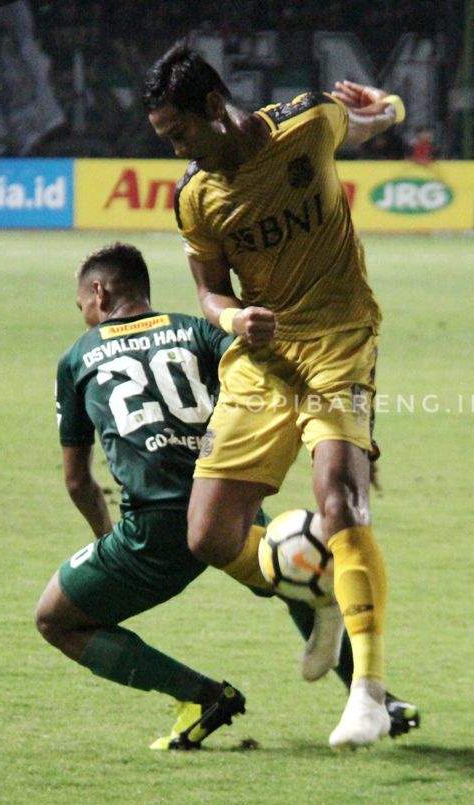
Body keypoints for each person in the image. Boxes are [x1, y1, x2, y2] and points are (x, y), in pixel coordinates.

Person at [35, 243, 419, 750]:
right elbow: (272, 377)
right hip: (224, 501)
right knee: (293, 568)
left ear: (99, 293)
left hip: (152, 527)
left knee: (55, 619)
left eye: (81, 301)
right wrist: (354, 439)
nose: (83, 312)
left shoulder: (78, 357)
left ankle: (199, 696)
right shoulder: (199, 331)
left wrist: (111, 542)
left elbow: (78, 481)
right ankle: (374, 698)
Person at [144, 45, 403, 748]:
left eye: (179, 134)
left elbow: (376, 120)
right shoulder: (195, 195)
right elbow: (208, 289)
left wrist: (389, 104)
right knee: (209, 535)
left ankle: (370, 693)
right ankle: (312, 586)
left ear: (212, 107)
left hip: (340, 338)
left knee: (341, 498)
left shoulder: (308, 123)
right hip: (263, 362)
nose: (176, 149)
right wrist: (232, 318)